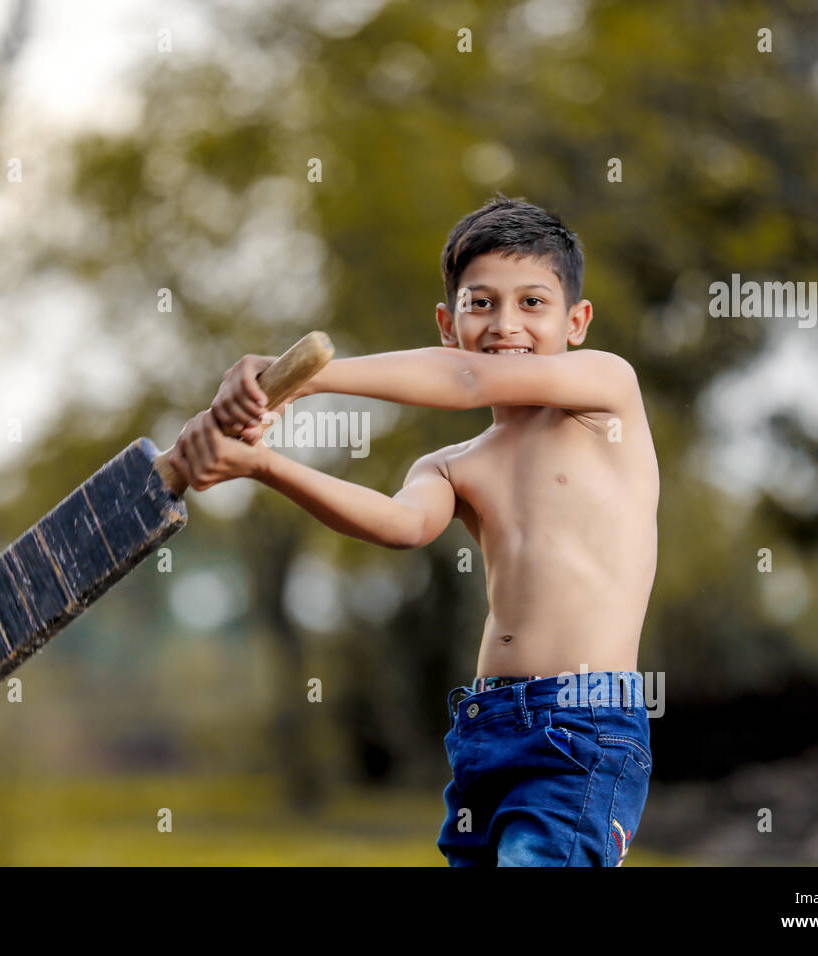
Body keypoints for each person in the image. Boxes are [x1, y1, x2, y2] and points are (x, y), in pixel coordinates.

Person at [168, 194, 659, 866]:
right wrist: (263, 464)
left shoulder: (608, 395)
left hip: (584, 730)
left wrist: (305, 379)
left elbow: (463, 377)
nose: (504, 323)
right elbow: (402, 525)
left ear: (576, 321)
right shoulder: (453, 465)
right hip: (488, 730)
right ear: (447, 323)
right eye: (480, 303)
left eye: (532, 303)